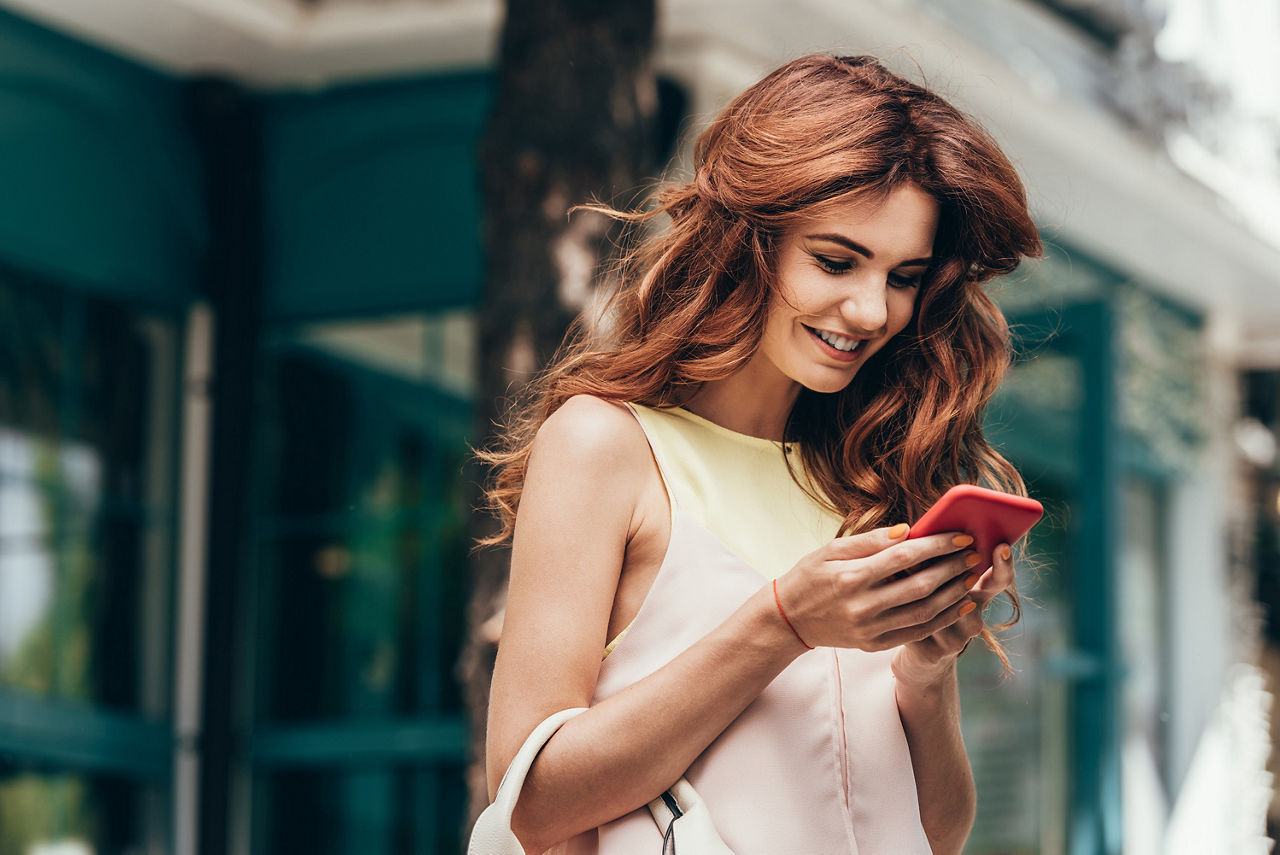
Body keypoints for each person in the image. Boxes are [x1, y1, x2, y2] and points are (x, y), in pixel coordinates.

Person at [478, 54, 1041, 854]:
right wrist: (781, 624)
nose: (872, 308)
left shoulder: (874, 482)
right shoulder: (608, 445)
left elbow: (936, 834)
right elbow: (532, 803)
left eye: (904, 275)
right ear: (749, 243)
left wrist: (926, 671)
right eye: (836, 260)